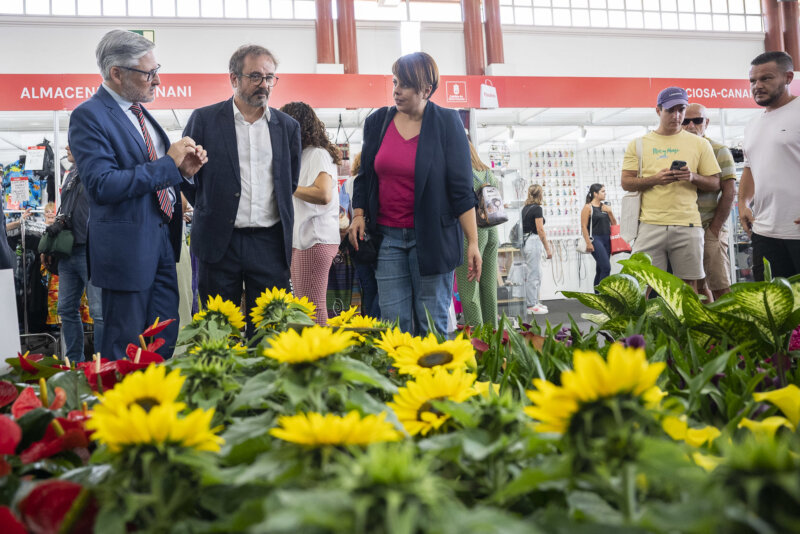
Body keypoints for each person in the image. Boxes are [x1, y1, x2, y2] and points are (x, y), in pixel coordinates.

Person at [68, 29, 207, 360]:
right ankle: (121, 410)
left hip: (162, 244)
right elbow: (102, 185)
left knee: (162, 340)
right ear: (116, 73)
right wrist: (167, 165)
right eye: (149, 73)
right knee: (125, 347)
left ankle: (155, 405)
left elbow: (159, 175)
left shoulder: (141, 113)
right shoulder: (89, 116)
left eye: (157, 70)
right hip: (126, 252)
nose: (157, 81)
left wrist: (182, 171)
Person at [348, 52, 481, 335]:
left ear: (426, 89)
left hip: (433, 239)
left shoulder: (447, 122)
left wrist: (473, 242)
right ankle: (398, 379)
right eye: (395, 82)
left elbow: (461, 189)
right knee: (394, 327)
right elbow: (365, 177)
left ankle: (435, 380)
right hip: (387, 241)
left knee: (431, 325)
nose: (396, 90)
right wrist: (358, 214)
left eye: (405, 85)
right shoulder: (377, 123)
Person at [183, 45, 301, 336]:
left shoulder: (288, 127)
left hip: (269, 245)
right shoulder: (204, 120)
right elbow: (185, 175)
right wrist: (213, 209)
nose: (264, 84)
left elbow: (291, 182)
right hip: (219, 244)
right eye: (255, 76)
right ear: (234, 78)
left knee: (271, 333)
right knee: (218, 334)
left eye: (270, 77)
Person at [621, 87, 721, 292]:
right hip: (649, 224)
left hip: (688, 224)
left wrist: (692, 176)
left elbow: (715, 183)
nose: (676, 116)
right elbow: (626, 182)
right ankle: (642, 325)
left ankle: (687, 324)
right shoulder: (638, 144)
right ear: (658, 110)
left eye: (681, 109)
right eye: (670, 110)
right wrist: (655, 180)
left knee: (690, 285)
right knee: (641, 285)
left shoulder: (700, 144)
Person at [739, 51, 800, 280]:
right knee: (773, 311)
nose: (757, 85)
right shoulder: (753, 124)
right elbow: (750, 167)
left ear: (788, 77)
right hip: (764, 232)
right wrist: (743, 203)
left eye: (766, 78)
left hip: (797, 232)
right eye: (753, 81)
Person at [279, 101, 341, 325]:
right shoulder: (303, 155)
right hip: (305, 240)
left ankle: (319, 357)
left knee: (310, 309)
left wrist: (288, 186)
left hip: (314, 239)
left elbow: (323, 194)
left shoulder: (317, 154)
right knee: (304, 308)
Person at [682, 104, 737, 300]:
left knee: (720, 286)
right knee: (695, 288)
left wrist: (715, 228)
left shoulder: (719, 150)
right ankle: (705, 329)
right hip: (685, 230)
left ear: (706, 122)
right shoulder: (676, 151)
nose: (690, 125)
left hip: (709, 227)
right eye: (685, 121)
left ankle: (730, 328)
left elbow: (729, 191)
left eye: (696, 120)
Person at [54, 146, 103, 361]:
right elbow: (65, 208)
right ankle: (74, 361)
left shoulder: (97, 169)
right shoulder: (70, 174)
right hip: (67, 250)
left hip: (90, 249)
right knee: (65, 309)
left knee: (98, 312)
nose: (66, 147)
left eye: (70, 143)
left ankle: (102, 364)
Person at [455, 142, 498, 327]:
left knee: (469, 288)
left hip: (472, 232)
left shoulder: (462, 173)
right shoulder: (488, 172)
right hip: (493, 230)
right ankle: (495, 337)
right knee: (489, 286)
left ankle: (479, 338)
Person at [348, 152, 380, 319]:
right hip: (376, 240)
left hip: (357, 242)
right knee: (382, 289)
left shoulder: (349, 183)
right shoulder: (375, 182)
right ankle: (375, 323)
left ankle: (369, 323)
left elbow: (345, 211)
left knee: (367, 287)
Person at [521, 184, 552, 315]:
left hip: (528, 241)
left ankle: (535, 301)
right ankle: (531, 304)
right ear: (540, 194)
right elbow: (540, 230)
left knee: (537, 273)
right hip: (533, 241)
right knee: (533, 274)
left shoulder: (525, 208)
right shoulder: (537, 209)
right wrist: (548, 249)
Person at [580, 183, 616, 287]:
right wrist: (588, 243)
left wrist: (610, 212)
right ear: (595, 193)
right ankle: (603, 295)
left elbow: (614, 224)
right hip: (596, 239)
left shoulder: (605, 207)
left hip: (607, 239)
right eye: (603, 191)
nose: (605, 193)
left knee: (600, 269)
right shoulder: (588, 207)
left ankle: (597, 296)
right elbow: (583, 226)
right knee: (606, 268)